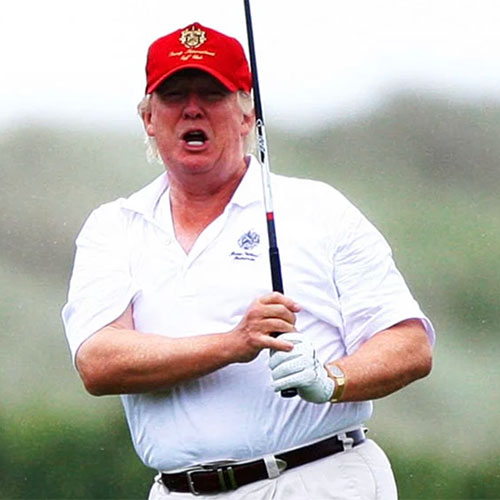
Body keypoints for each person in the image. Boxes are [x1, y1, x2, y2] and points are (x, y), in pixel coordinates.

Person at [62, 22, 434, 499]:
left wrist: (331, 379)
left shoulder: (319, 210)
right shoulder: (113, 226)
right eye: (173, 95)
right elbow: (99, 363)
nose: (192, 108)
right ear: (148, 118)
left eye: (212, 94)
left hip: (317, 478)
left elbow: (409, 345)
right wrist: (234, 343)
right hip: (178, 490)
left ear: (246, 115)